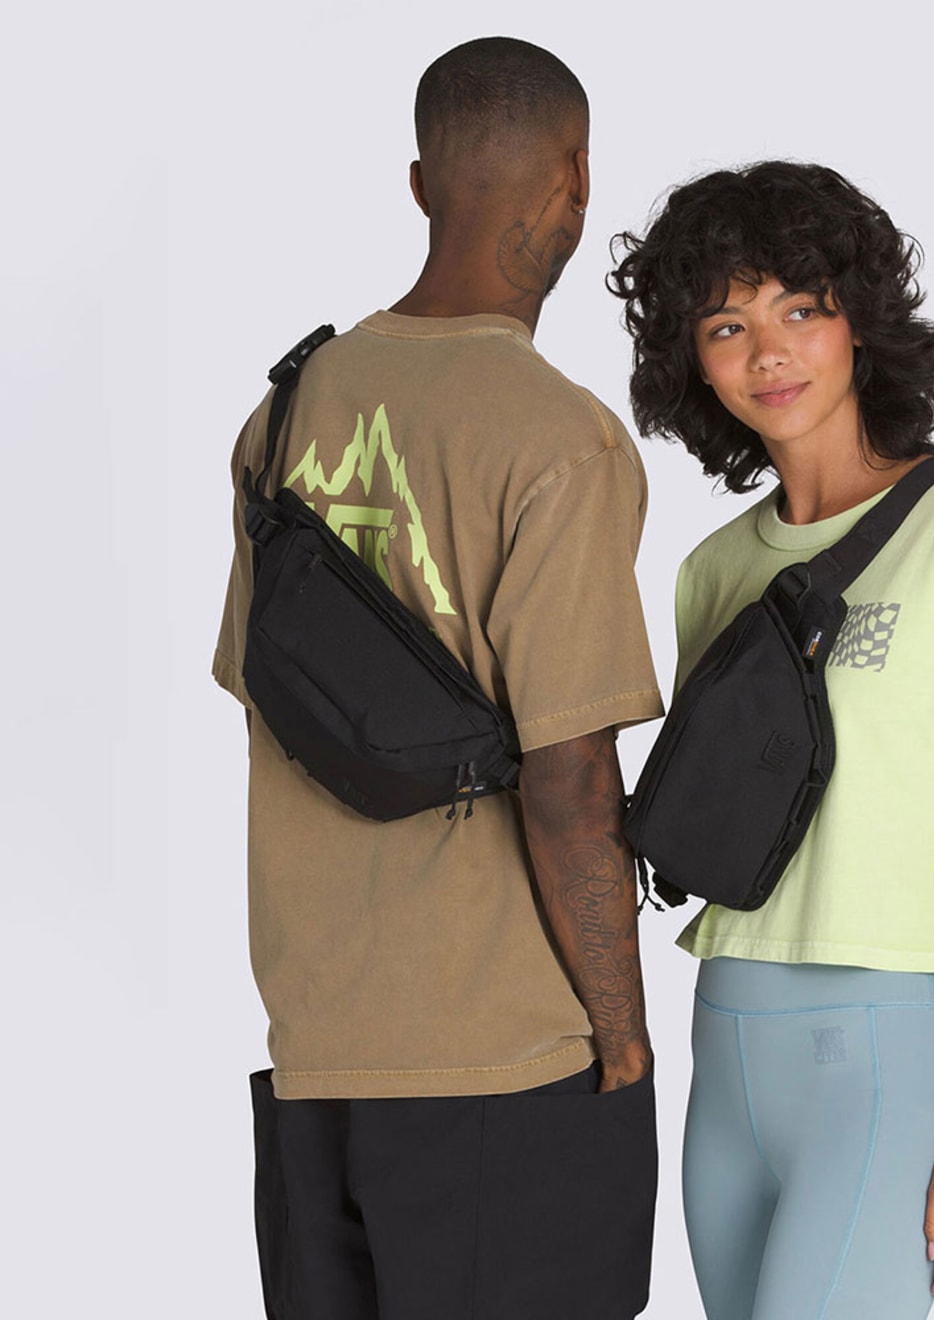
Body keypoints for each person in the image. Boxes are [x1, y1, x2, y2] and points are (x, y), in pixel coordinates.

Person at [213, 37, 663, 1320]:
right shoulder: (562, 441)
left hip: (317, 1054)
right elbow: (571, 780)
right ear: (577, 179)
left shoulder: (283, 415)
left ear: (419, 184)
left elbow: (269, 703)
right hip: (503, 1061)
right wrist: (620, 1034)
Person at [609, 161, 934, 1319]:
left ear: (858, 322)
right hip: (725, 1043)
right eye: (727, 326)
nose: (767, 353)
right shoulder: (714, 573)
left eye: (800, 309)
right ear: (694, 360)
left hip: (886, 1049)